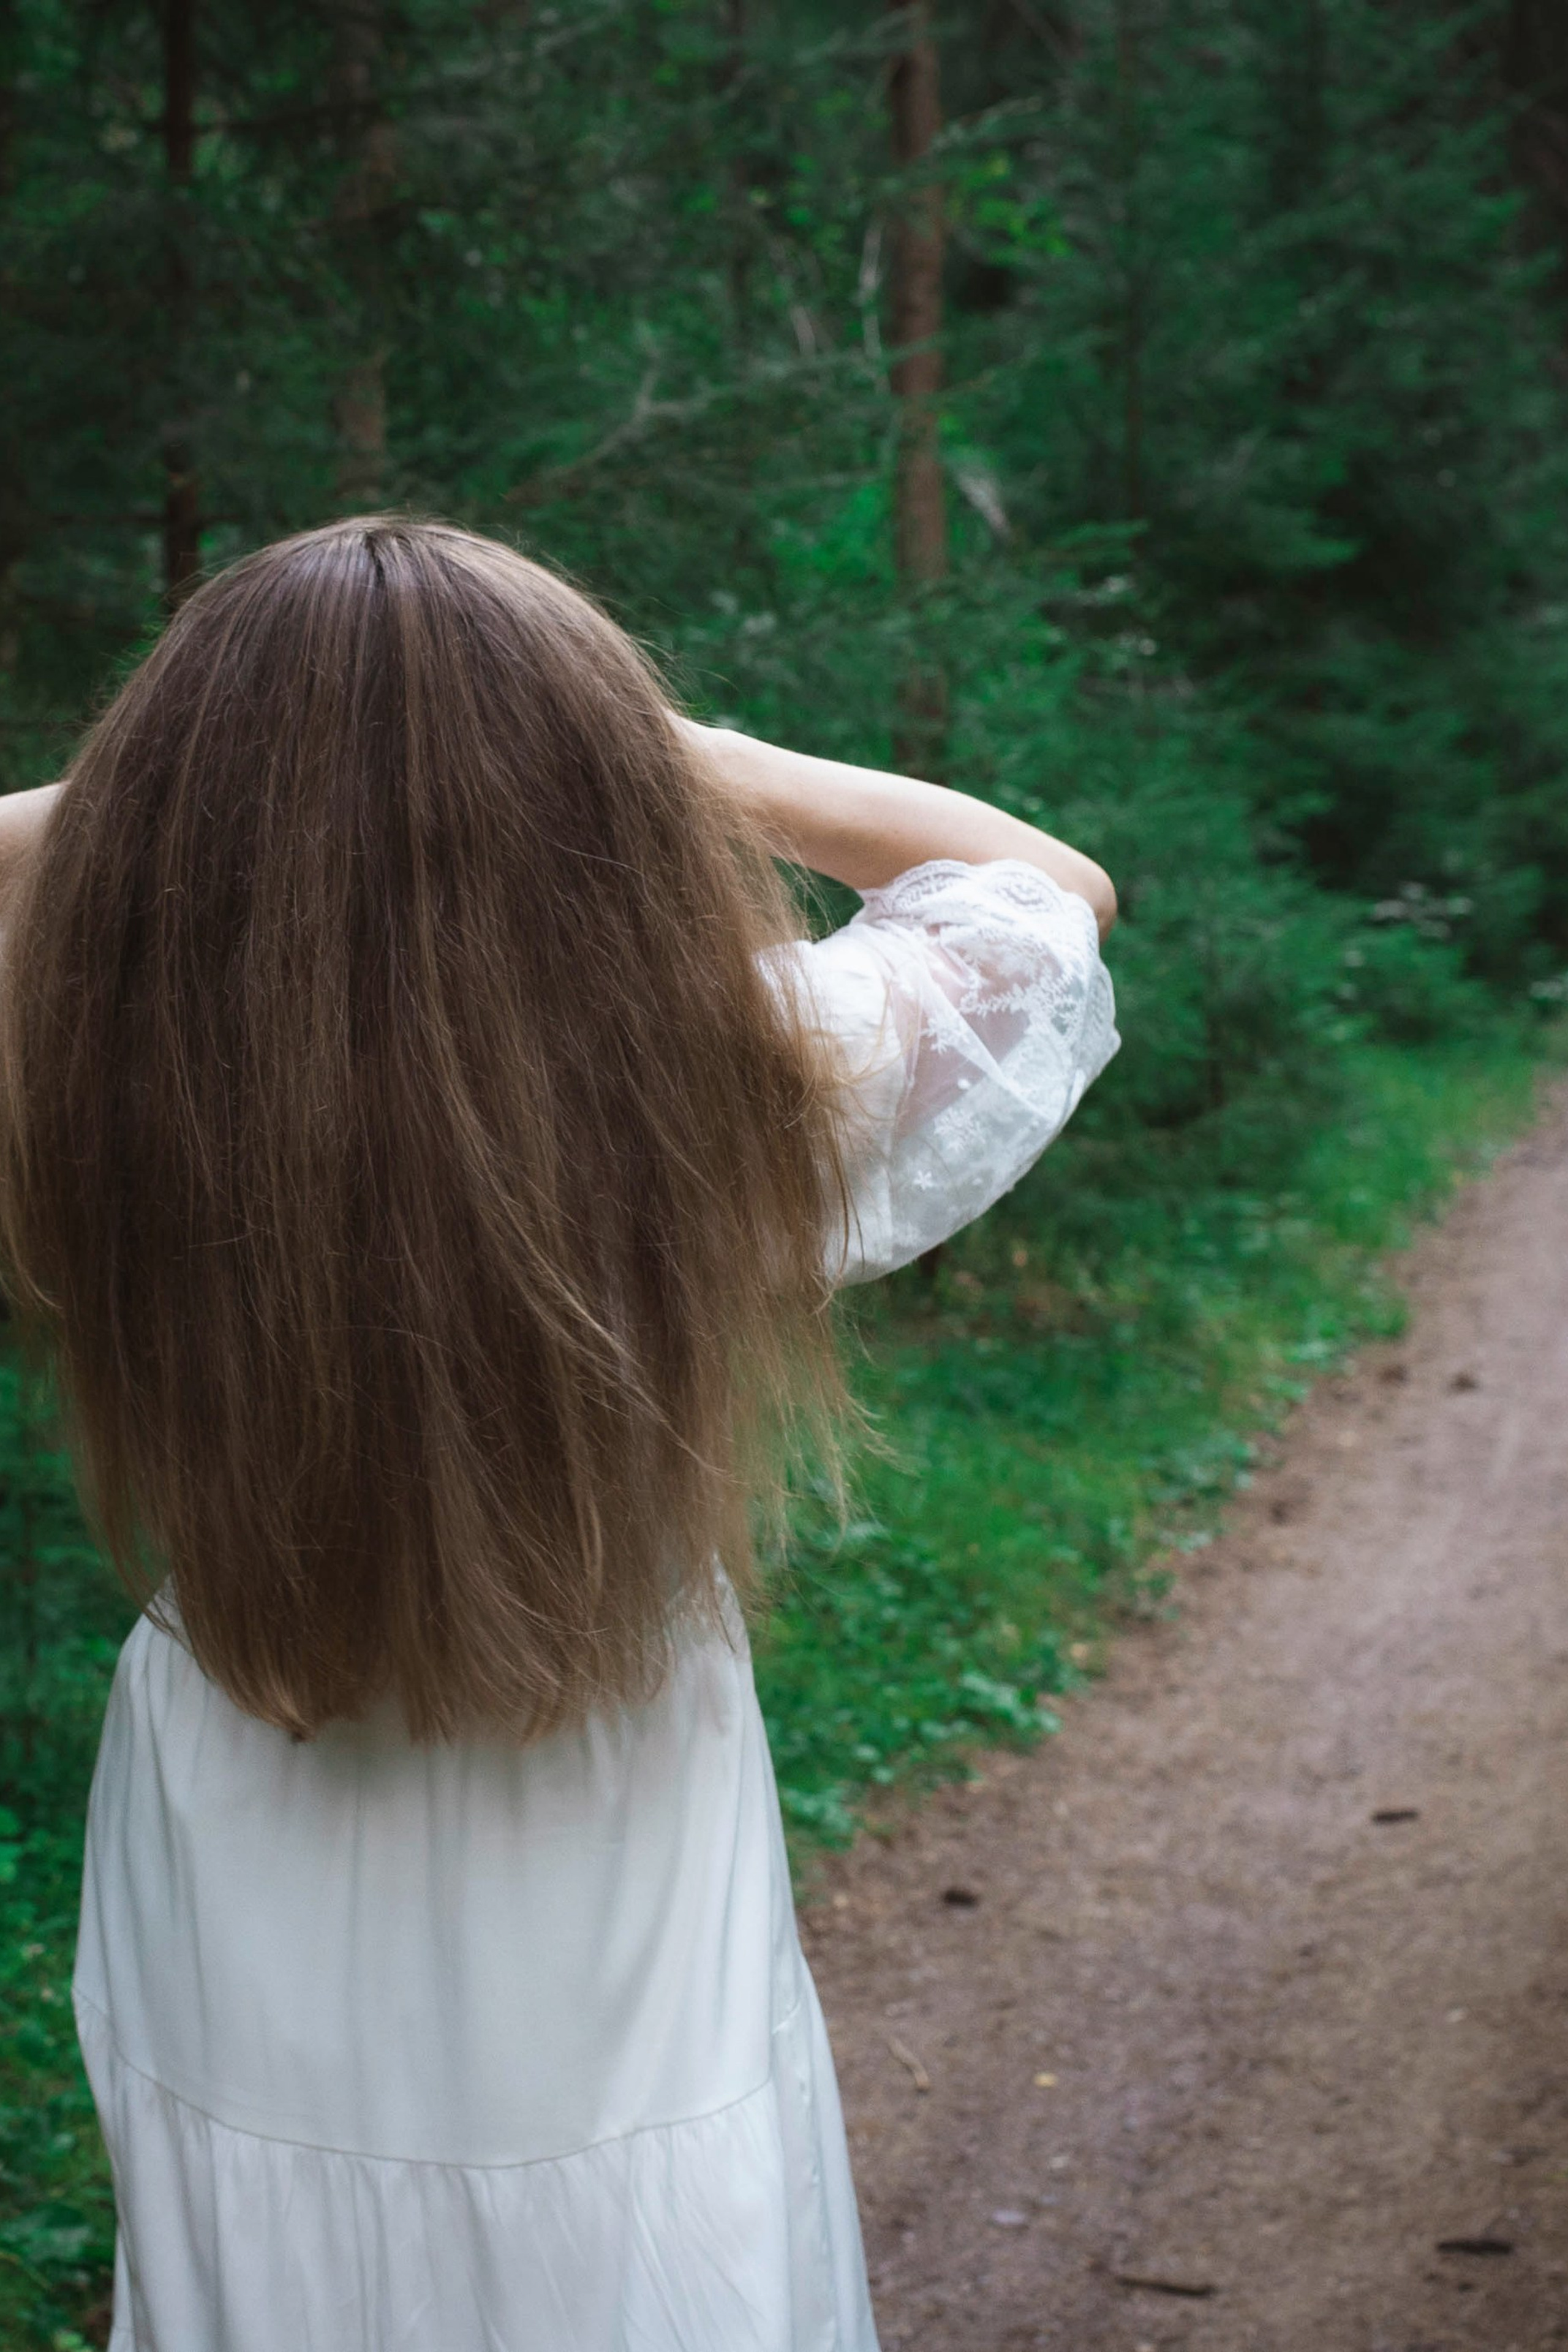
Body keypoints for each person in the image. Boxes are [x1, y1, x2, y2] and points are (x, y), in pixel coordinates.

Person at [0, 518, 1117, 2352]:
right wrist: (678, 757)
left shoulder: (104, 1073)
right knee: (659, 2244)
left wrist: (194, 779)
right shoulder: (729, 1079)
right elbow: (1044, 892)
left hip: (238, 1772)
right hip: (607, 1784)